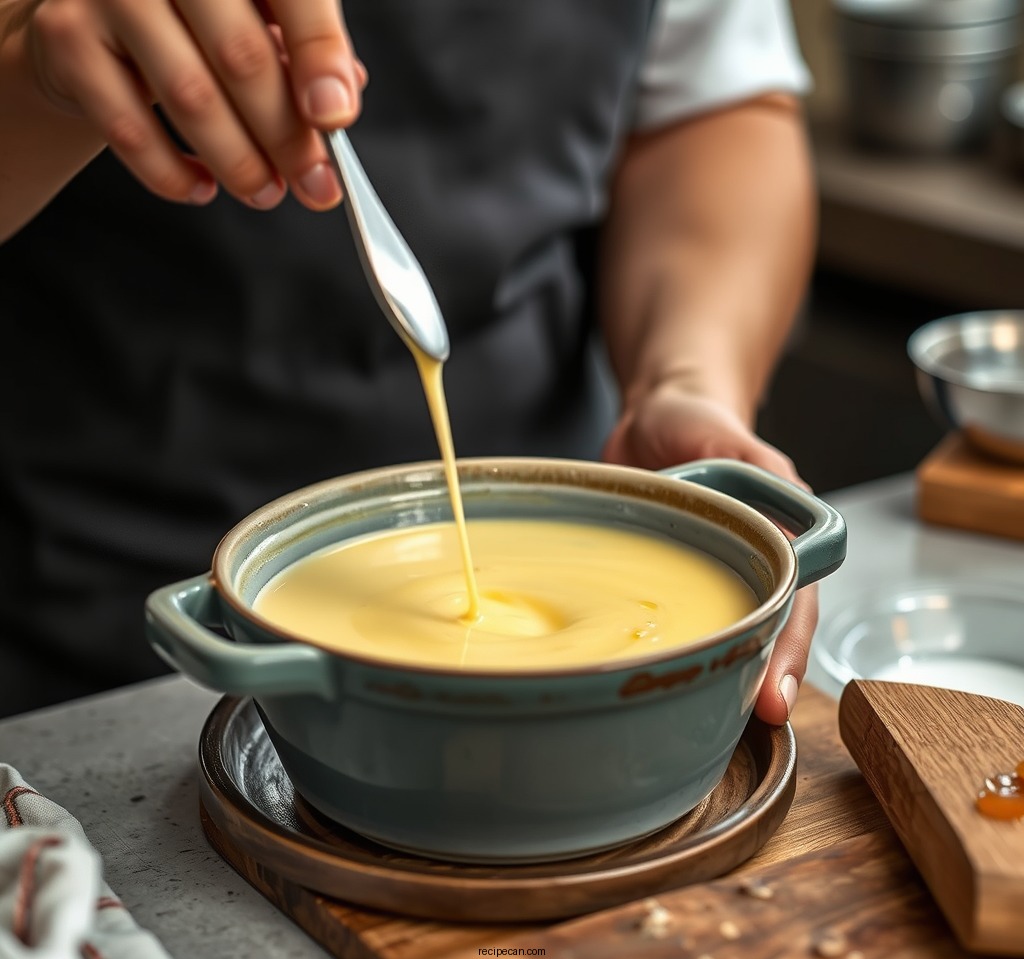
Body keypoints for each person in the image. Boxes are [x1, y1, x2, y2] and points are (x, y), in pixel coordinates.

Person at [0, 0, 818, 723]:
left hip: (563, 519)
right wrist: (31, 79)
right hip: (75, 638)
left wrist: (687, 376)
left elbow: (709, 109)